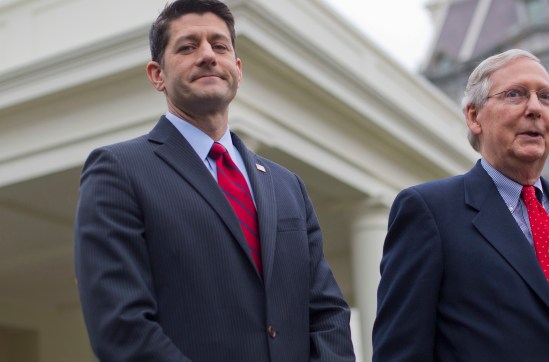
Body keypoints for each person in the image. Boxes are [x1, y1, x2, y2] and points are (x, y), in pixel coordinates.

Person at [73, 0, 355, 361]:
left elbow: (328, 313)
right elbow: (121, 325)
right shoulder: (117, 170)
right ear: (157, 75)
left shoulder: (288, 187)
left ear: (237, 68)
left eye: (220, 46)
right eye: (188, 46)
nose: (207, 55)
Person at [372, 49, 549, 361]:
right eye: (515, 94)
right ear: (474, 117)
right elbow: (400, 352)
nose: (535, 108)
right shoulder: (428, 211)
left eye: (545, 97)